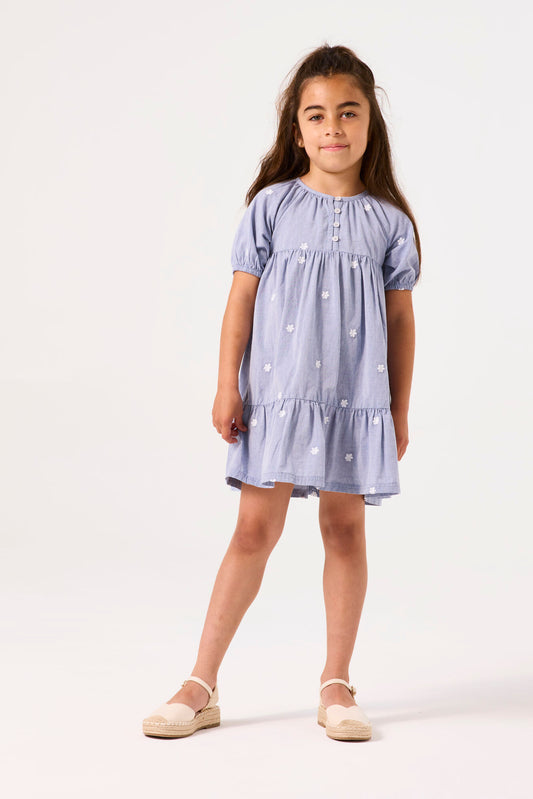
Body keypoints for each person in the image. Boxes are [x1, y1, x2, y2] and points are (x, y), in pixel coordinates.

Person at [143, 42, 421, 743]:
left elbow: (399, 321)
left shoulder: (389, 223)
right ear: (296, 130)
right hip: (276, 396)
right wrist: (226, 385)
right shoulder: (271, 207)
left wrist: (397, 409)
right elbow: (240, 301)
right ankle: (200, 683)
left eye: (348, 112)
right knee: (252, 530)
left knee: (344, 529)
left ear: (370, 123)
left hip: (352, 402)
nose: (333, 128)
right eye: (316, 115)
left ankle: (336, 683)